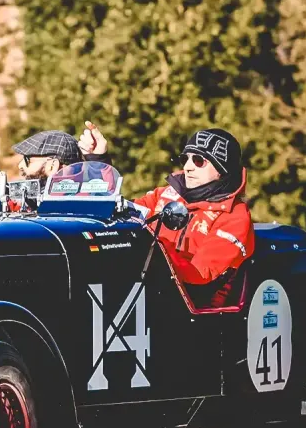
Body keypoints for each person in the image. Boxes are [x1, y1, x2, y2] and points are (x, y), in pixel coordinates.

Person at [91, 124, 254, 307]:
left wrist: (154, 245)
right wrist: (97, 161)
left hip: (186, 306)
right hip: (147, 289)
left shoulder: (234, 216)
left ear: (222, 170)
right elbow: (117, 213)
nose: (188, 167)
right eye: (185, 158)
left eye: (198, 160)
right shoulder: (165, 195)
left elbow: (199, 276)